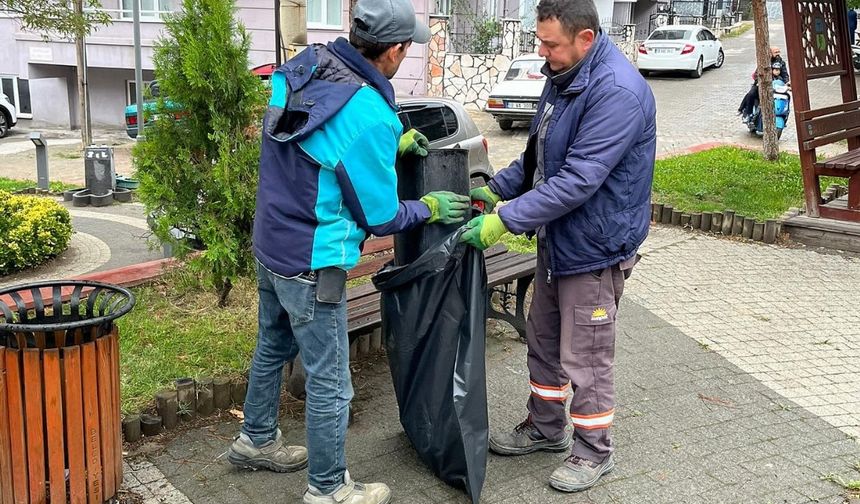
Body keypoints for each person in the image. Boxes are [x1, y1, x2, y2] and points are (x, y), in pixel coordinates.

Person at [227, 0, 470, 501]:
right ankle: (328, 488)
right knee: (331, 382)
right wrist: (427, 207)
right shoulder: (370, 114)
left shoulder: (306, 66)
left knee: (272, 347)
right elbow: (380, 217)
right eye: (407, 47)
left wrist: (389, 147)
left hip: (271, 242)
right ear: (395, 51)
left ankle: (254, 440)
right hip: (315, 261)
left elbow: (316, 147)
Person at [462, 0, 656, 493]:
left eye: (551, 44)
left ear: (586, 39)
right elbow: (538, 155)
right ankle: (545, 429)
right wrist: (499, 189)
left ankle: (594, 451)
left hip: (595, 247)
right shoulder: (563, 74)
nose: (542, 53)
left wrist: (505, 220)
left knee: (586, 356)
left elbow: (577, 180)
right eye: (540, 40)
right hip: (559, 238)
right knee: (544, 340)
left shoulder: (617, 92)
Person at [738, 46, 789, 118]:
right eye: (775, 52)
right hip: (762, 84)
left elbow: (785, 74)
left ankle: (783, 113)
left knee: (785, 96)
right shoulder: (764, 62)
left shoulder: (782, 63)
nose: (778, 54)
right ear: (770, 53)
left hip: (775, 85)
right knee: (751, 94)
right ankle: (748, 113)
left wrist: (787, 83)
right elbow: (756, 74)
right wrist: (759, 81)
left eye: (778, 52)